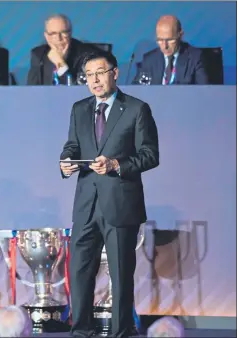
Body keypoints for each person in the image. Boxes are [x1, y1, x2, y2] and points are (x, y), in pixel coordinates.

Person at [59, 50, 159, 338]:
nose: (94, 80)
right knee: (79, 272)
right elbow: (73, 146)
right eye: (89, 75)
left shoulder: (137, 109)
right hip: (86, 204)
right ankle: (81, 331)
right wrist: (67, 162)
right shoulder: (79, 109)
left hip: (120, 203)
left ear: (114, 73)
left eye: (100, 73)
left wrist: (117, 164)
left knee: (120, 274)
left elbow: (150, 155)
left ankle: (121, 331)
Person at [134, 15, 208, 85]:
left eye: (170, 40)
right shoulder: (149, 60)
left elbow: (203, 92)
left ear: (181, 35)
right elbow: (136, 89)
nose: (165, 46)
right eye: (160, 40)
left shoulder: (195, 58)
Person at [27, 14, 99, 86]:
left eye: (63, 32)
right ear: (46, 36)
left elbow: (79, 90)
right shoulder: (38, 55)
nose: (59, 38)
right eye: (53, 33)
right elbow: (30, 90)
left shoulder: (86, 55)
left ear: (70, 33)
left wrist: (60, 63)